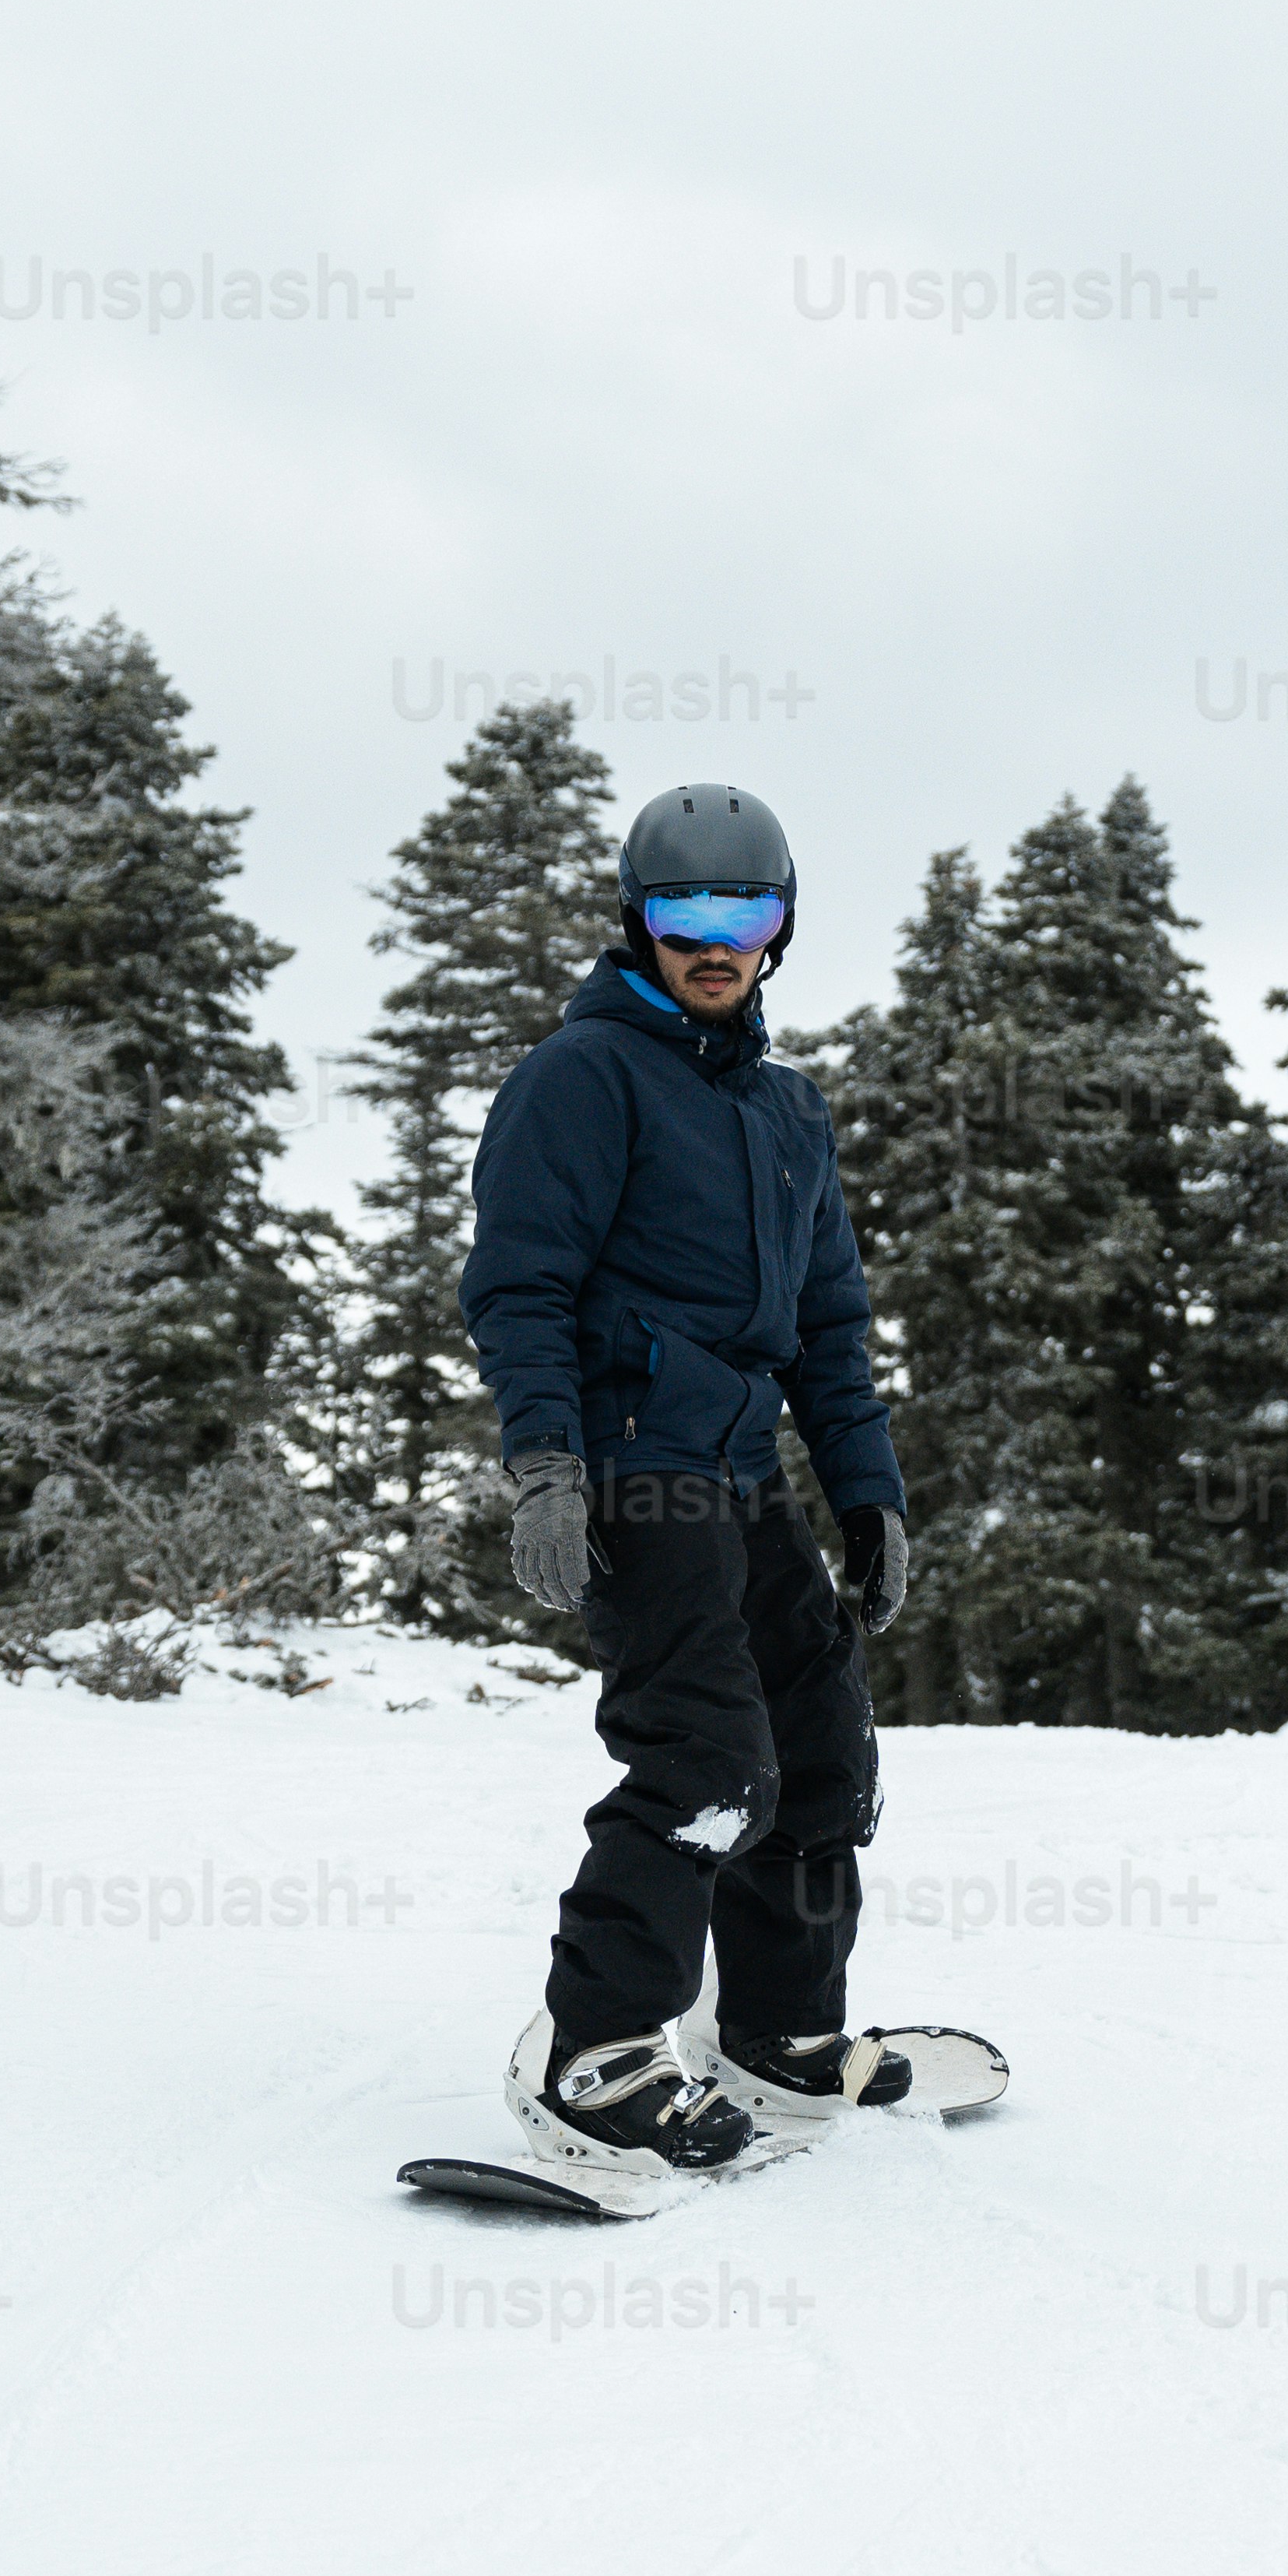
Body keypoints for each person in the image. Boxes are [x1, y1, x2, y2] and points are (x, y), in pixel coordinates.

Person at [459, 783, 916, 2178]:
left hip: (740, 1465)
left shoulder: (790, 1111)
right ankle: (596, 2050)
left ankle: (780, 2033)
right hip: (633, 1471)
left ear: (782, 928)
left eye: (745, 911)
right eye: (682, 911)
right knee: (708, 1762)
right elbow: (519, 1285)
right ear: (636, 919)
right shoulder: (581, 1077)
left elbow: (829, 1325)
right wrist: (545, 1467)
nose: (714, 940)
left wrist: (866, 1490)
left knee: (824, 1750)